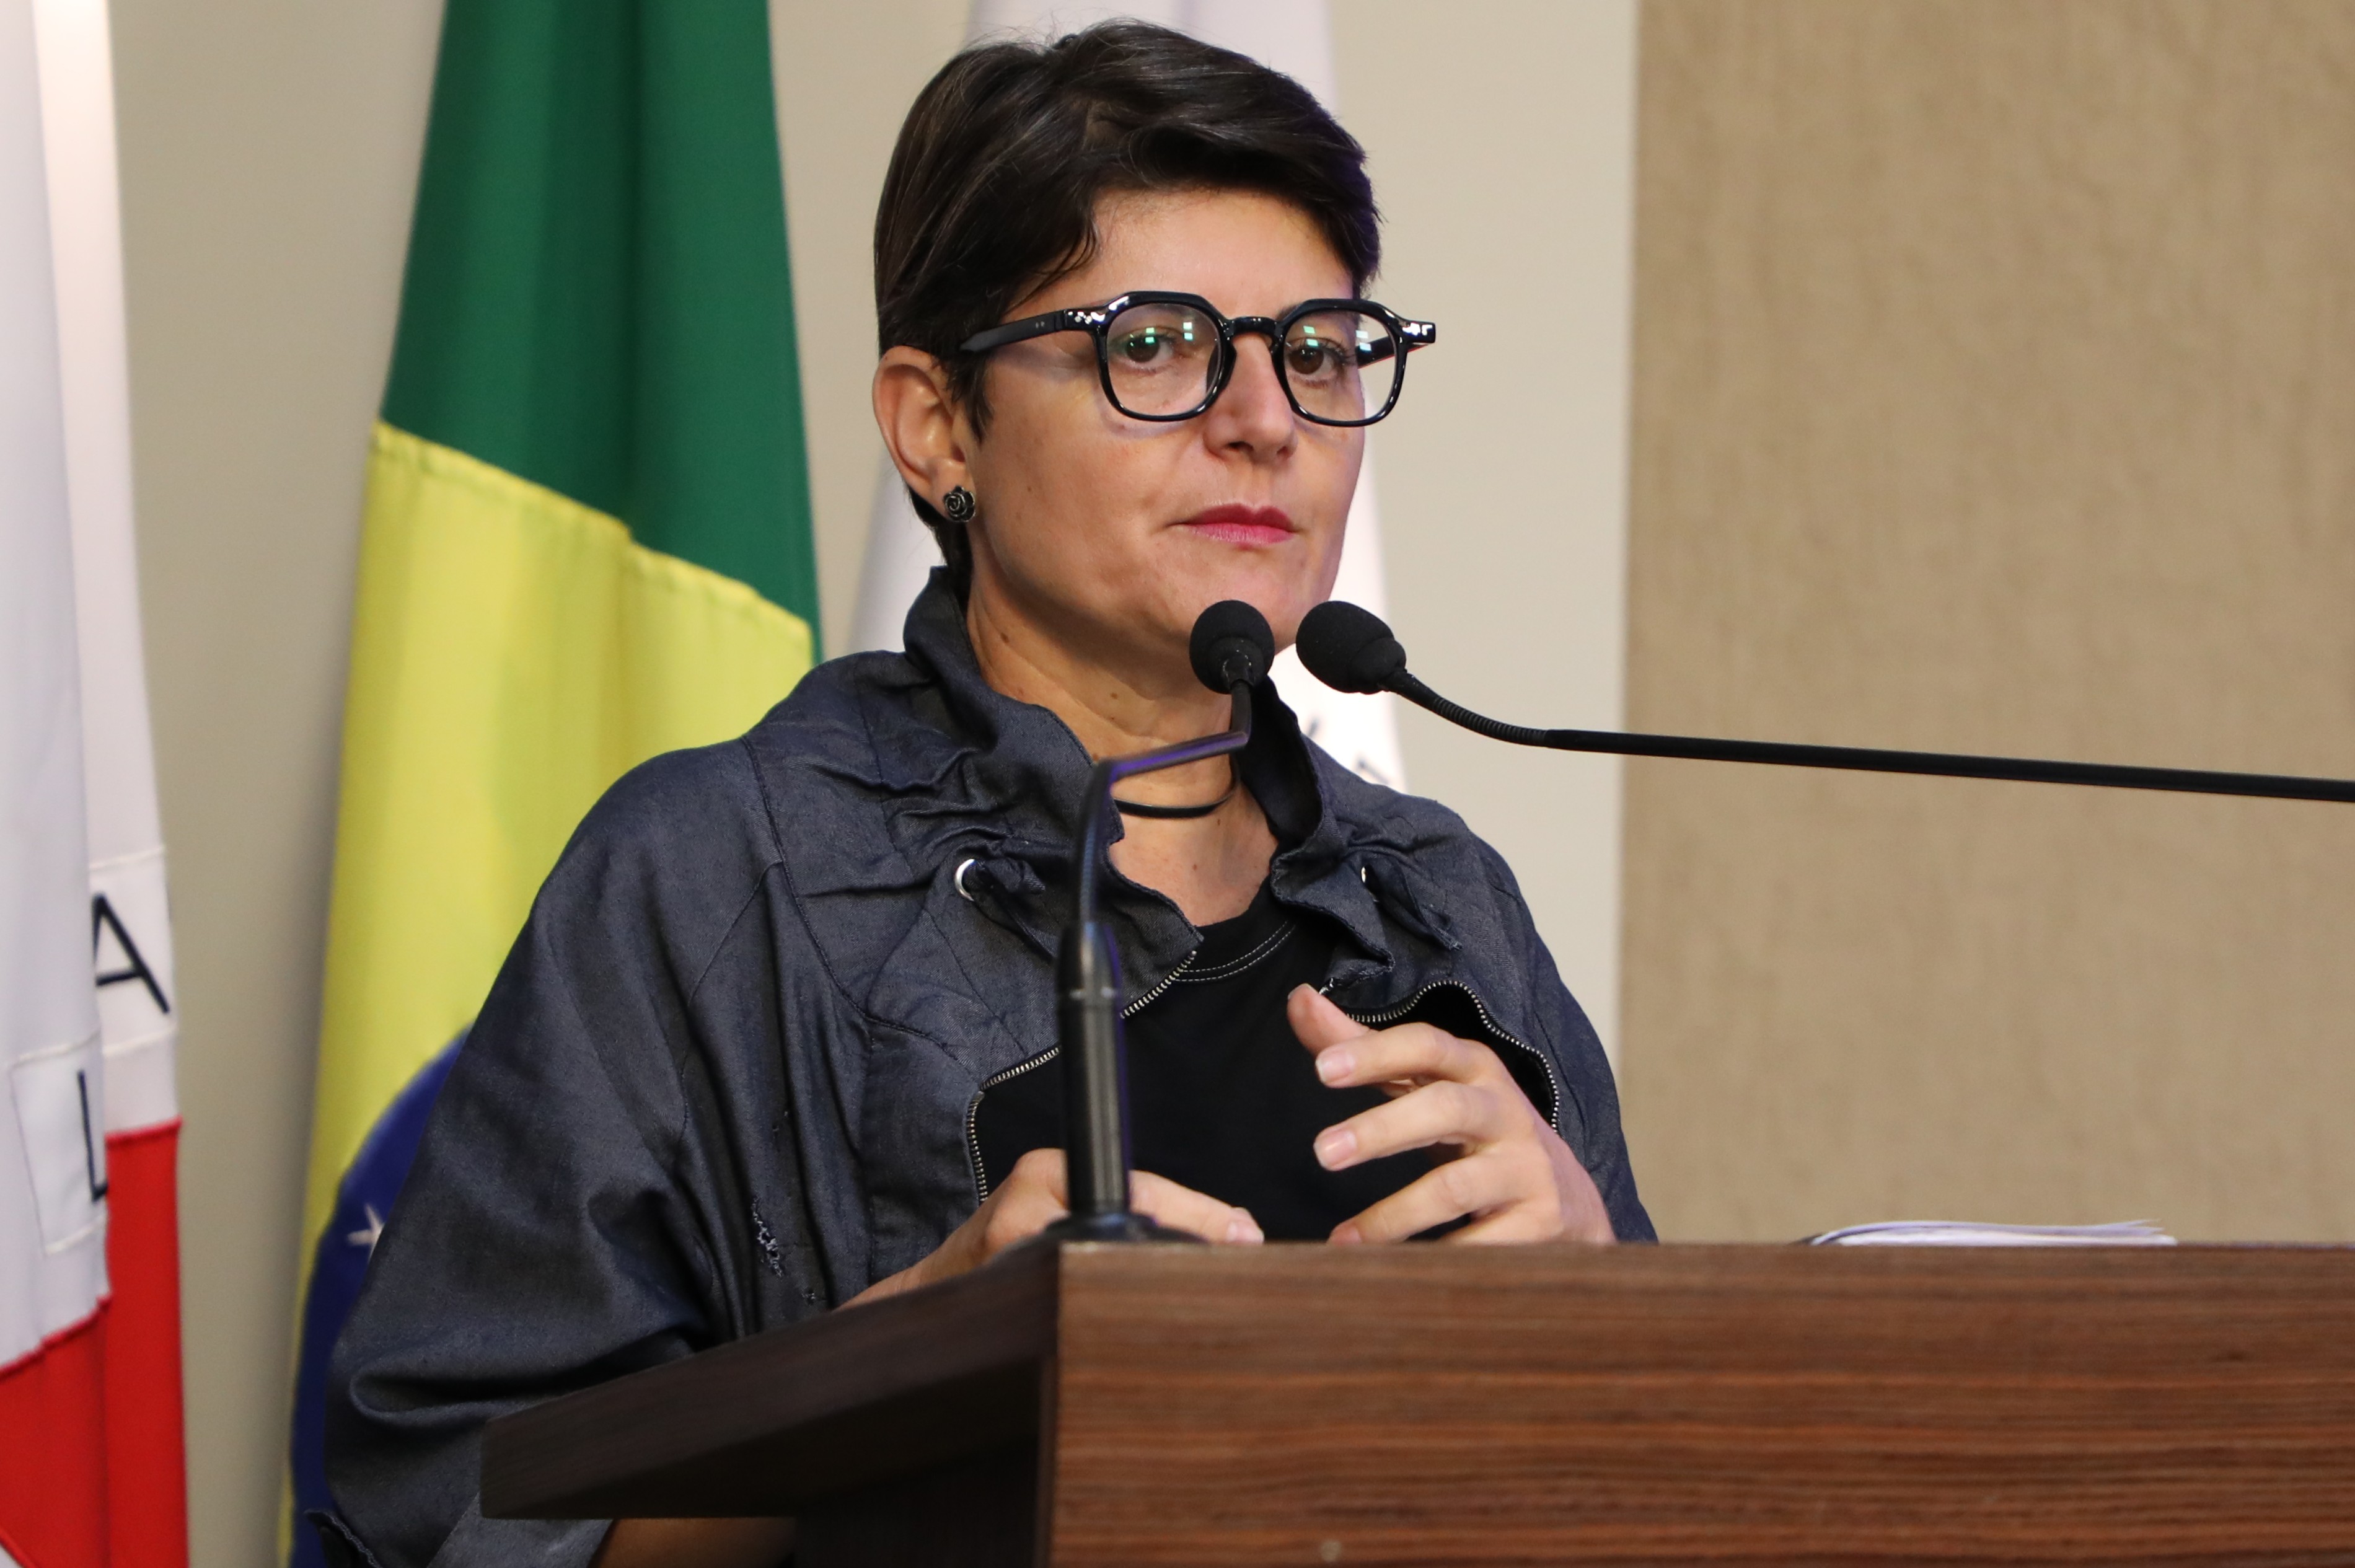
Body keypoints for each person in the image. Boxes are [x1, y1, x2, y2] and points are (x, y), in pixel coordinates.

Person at [321, 21, 1651, 1568]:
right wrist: (901, 1364)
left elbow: (1677, 1487)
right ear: (938, 425)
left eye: (1317, 350)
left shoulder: (1443, 899)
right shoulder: (713, 874)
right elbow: (450, 1509)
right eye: (1156, 344)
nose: (1266, 420)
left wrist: (1602, 1287)